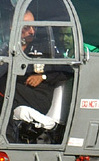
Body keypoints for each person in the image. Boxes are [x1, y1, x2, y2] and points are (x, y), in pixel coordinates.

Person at [10, 12, 72, 143]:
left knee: (3, 86)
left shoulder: (45, 48)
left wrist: (43, 76)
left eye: (34, 27)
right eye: (26, 27)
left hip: (39, 97)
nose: (31, 31)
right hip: (17, 94)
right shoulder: (8, 48)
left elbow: (68, 69)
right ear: (13, 27)